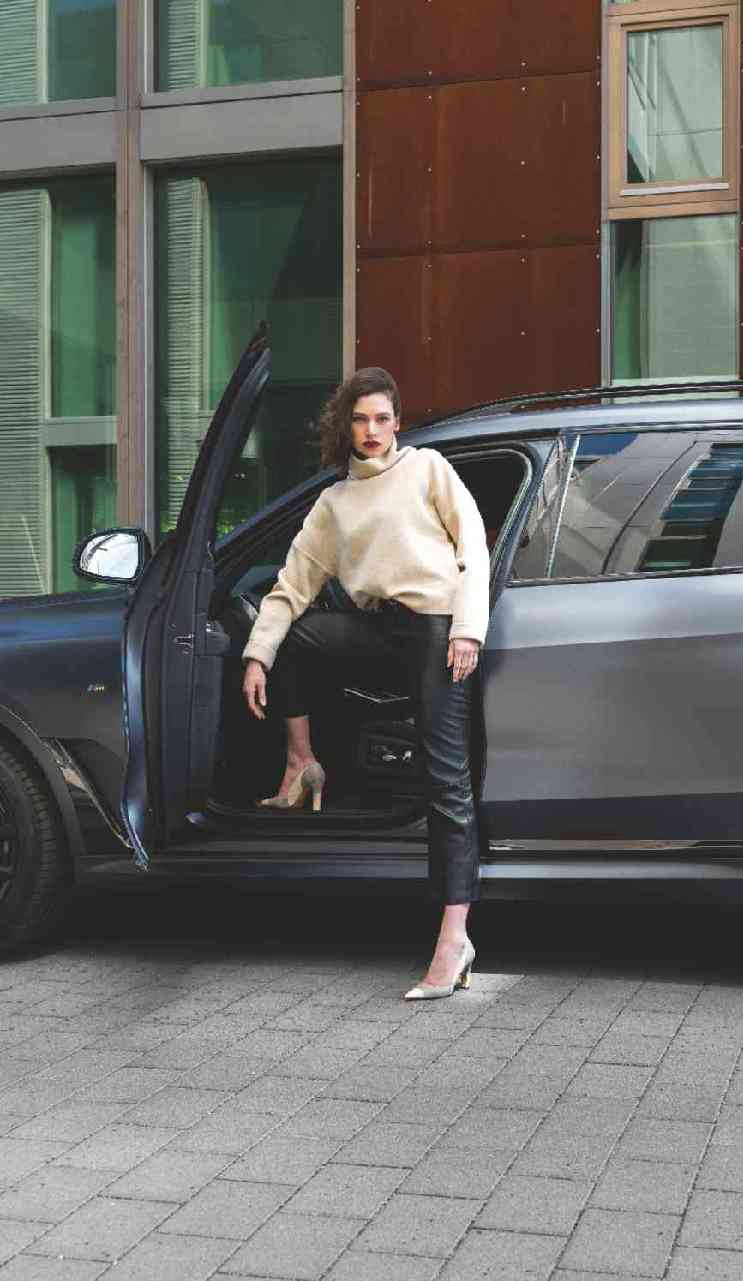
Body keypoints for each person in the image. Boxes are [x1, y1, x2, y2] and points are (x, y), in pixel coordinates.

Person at [241, 367, 488, 1001]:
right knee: (297, 636)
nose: (372, 430)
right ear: (345, 426)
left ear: (398, 422)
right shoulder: (333, 503)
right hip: (379, 632)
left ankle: (453, 938)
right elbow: (291, 586)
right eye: (360, 419)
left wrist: (468, 629)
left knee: (444, 779)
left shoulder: (428, 469)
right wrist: (256, 656)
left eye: (382, 418)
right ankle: (302, 765)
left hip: (436, 632)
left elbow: (474, 546)